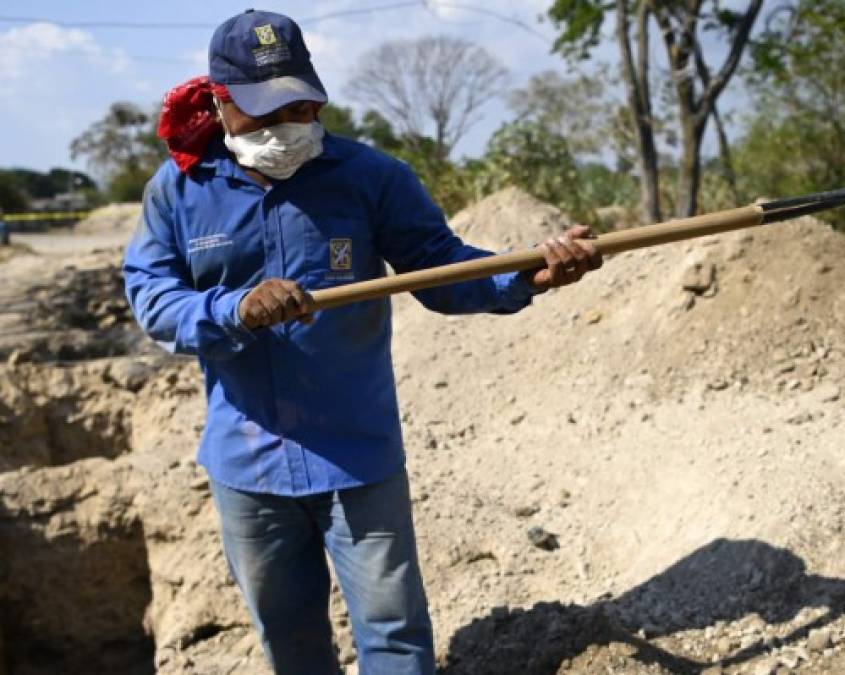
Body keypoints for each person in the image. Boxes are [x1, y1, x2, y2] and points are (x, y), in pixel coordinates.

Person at [123, 9, 602, 675]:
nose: (283, 128)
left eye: (297, 106)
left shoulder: (371, 177)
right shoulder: (179, 191)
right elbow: (151, 294)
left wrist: (528, 276)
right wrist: (233, 307)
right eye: (261, 113)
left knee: (395, 634)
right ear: (218, 100)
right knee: (289, 639)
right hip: (248, 464)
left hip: (358, 459)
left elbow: (441, 269)